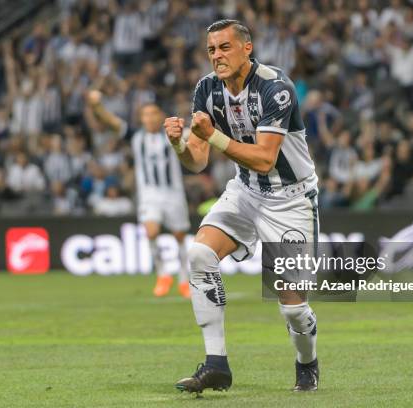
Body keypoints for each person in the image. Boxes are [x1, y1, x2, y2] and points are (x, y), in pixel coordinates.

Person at [164, 20, 320, 394]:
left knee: (293, 305)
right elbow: (198, 161)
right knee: (200, 253)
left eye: (225, 47)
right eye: (212, 49)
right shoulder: (206, 88)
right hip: (246, 192)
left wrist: (213, 136)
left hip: (291, 200)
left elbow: (266, 159)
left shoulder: (276, 87)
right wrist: (180, 146)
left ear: (246, 48)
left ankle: (307, 363)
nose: (217, 56)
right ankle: (216, 364)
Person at [87, 92, 191, 298]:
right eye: (146, 114)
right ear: (141, 118)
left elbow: (198, 135)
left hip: (174, 194)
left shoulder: (175, 133)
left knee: (179, 237)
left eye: (153, 113)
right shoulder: (136, 137)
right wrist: (97, 105)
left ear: (161, 116)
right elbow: (111, 121)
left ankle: (183, 279)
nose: (150, 118)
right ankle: (163, 274)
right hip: (149, 194)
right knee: (151, 231)